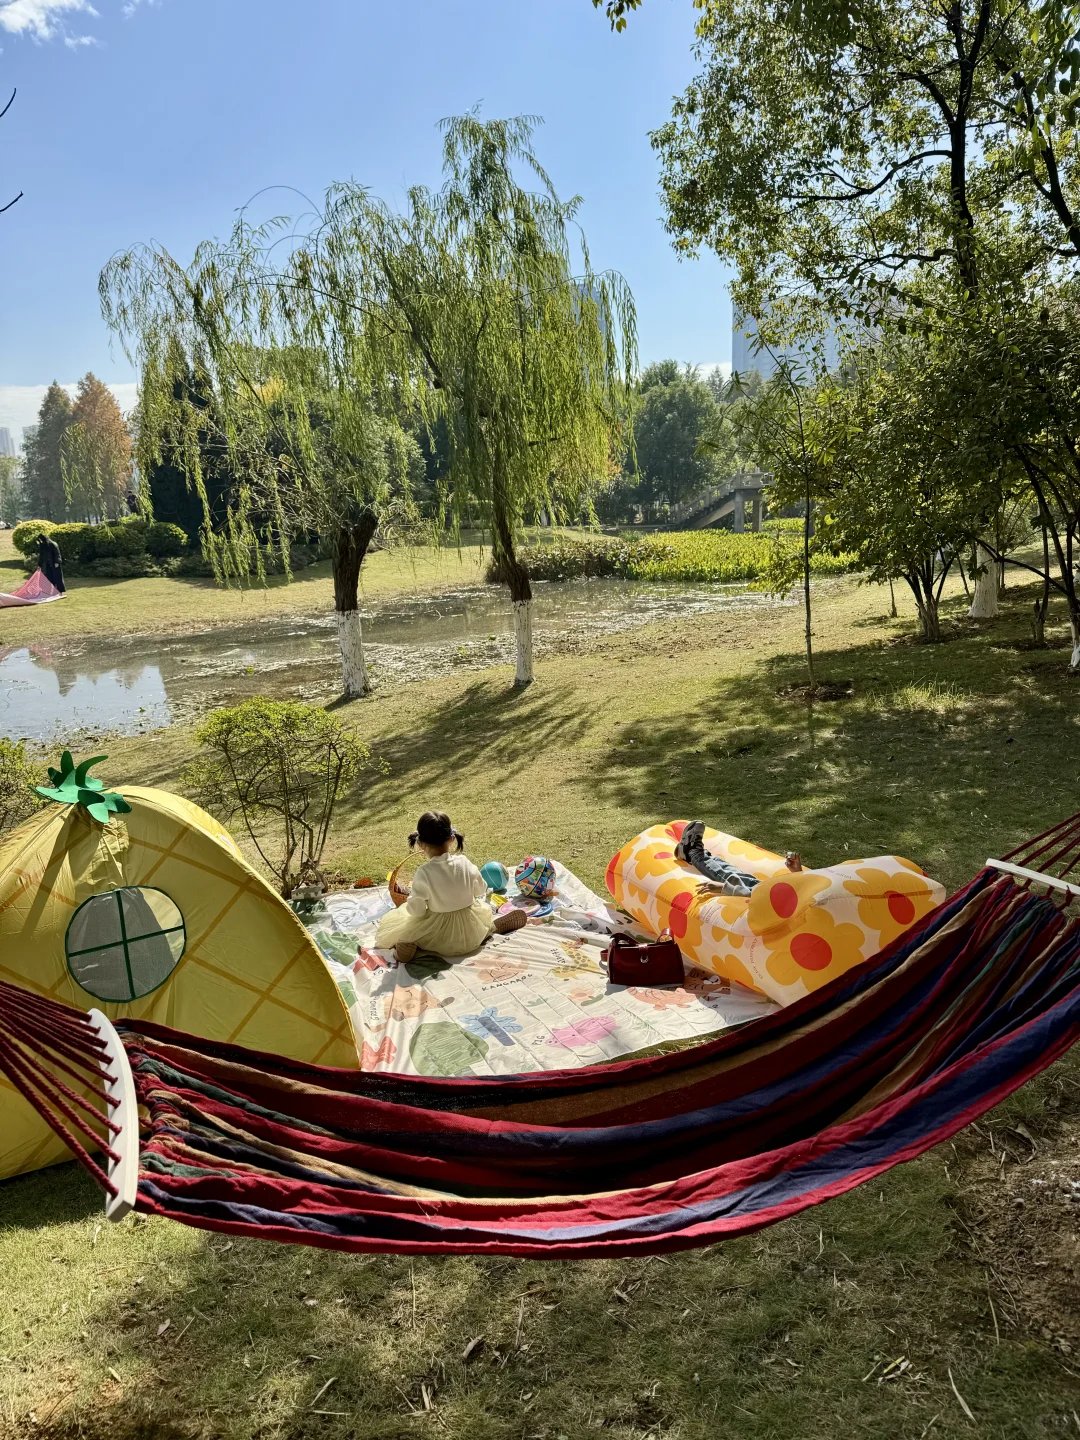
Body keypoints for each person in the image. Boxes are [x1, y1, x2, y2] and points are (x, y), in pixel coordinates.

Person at [375, 810, 527, 963]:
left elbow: (417, 911)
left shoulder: (424, 872)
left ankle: (411, 944)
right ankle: (491, 928)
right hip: (472, 927)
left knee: (412, 928)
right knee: (482, 922)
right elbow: (481, 889)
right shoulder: (464, 862)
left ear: (420, 844)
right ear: (452, 839)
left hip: (441, 935)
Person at [675, 820, 803, 897]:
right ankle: (699, 855)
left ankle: (693, 853)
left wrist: (725, 888)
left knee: (732, 878)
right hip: (780, 894)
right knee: (742, 876)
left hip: (776, 903)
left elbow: (766, 899)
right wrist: (798, 873)